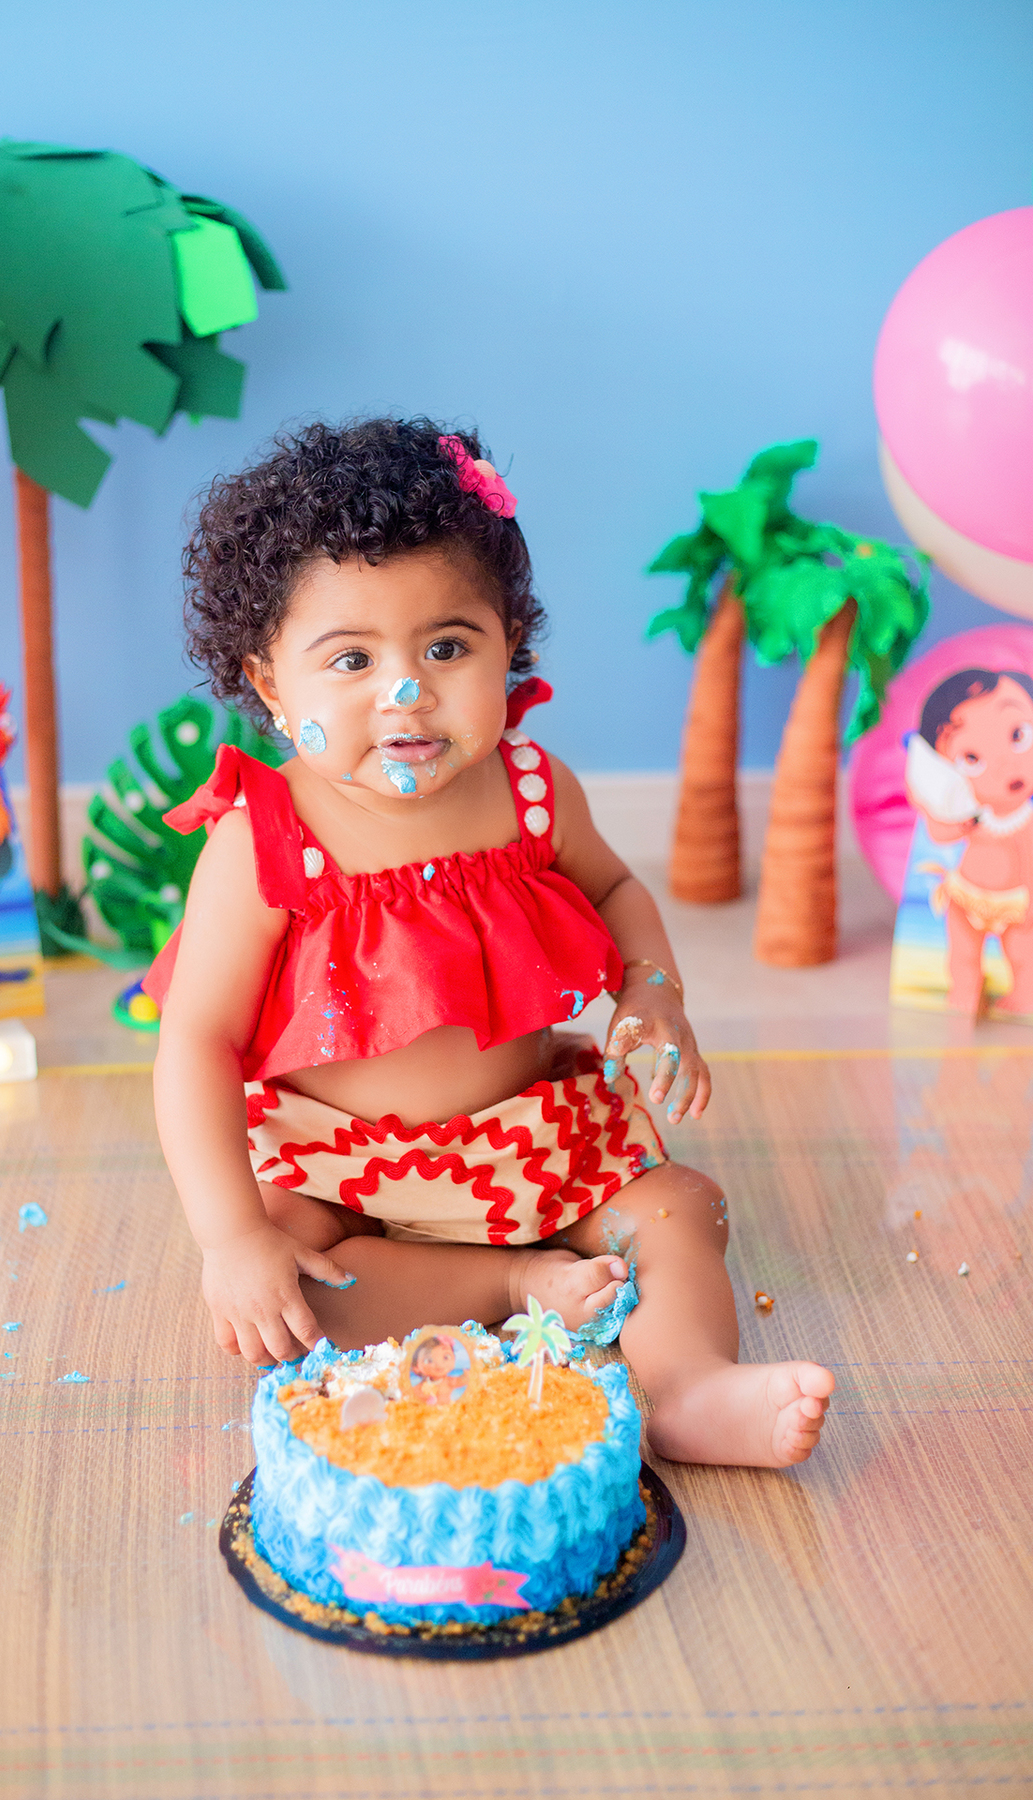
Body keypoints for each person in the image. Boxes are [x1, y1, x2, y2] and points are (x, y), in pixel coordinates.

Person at [149, 418, 834, 1468]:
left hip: (527, 1140)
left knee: (679, 1209)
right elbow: (195, 1041)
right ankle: (512, 1287)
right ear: (274, 687)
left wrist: (651, 995)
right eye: (351, 659)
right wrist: (229, 1237)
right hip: (344, 1170)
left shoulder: (529, 793)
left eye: (447, 646)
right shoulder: (265, 843)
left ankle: (689, 1391)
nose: (407, 691)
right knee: (288, 1292)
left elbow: (614, 890)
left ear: (510, 643)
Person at [905, 668, 1033, 1019]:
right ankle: (965, 990)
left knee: (1024, 954)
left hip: (1016, 904)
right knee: (961, 953)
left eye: (1019, 735)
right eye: (971, 758)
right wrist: (925, 799)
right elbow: (941, 834)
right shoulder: (970, 816)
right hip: (965, 895)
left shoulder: (1025, 821)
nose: (1006, 764)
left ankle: (1023, 995)